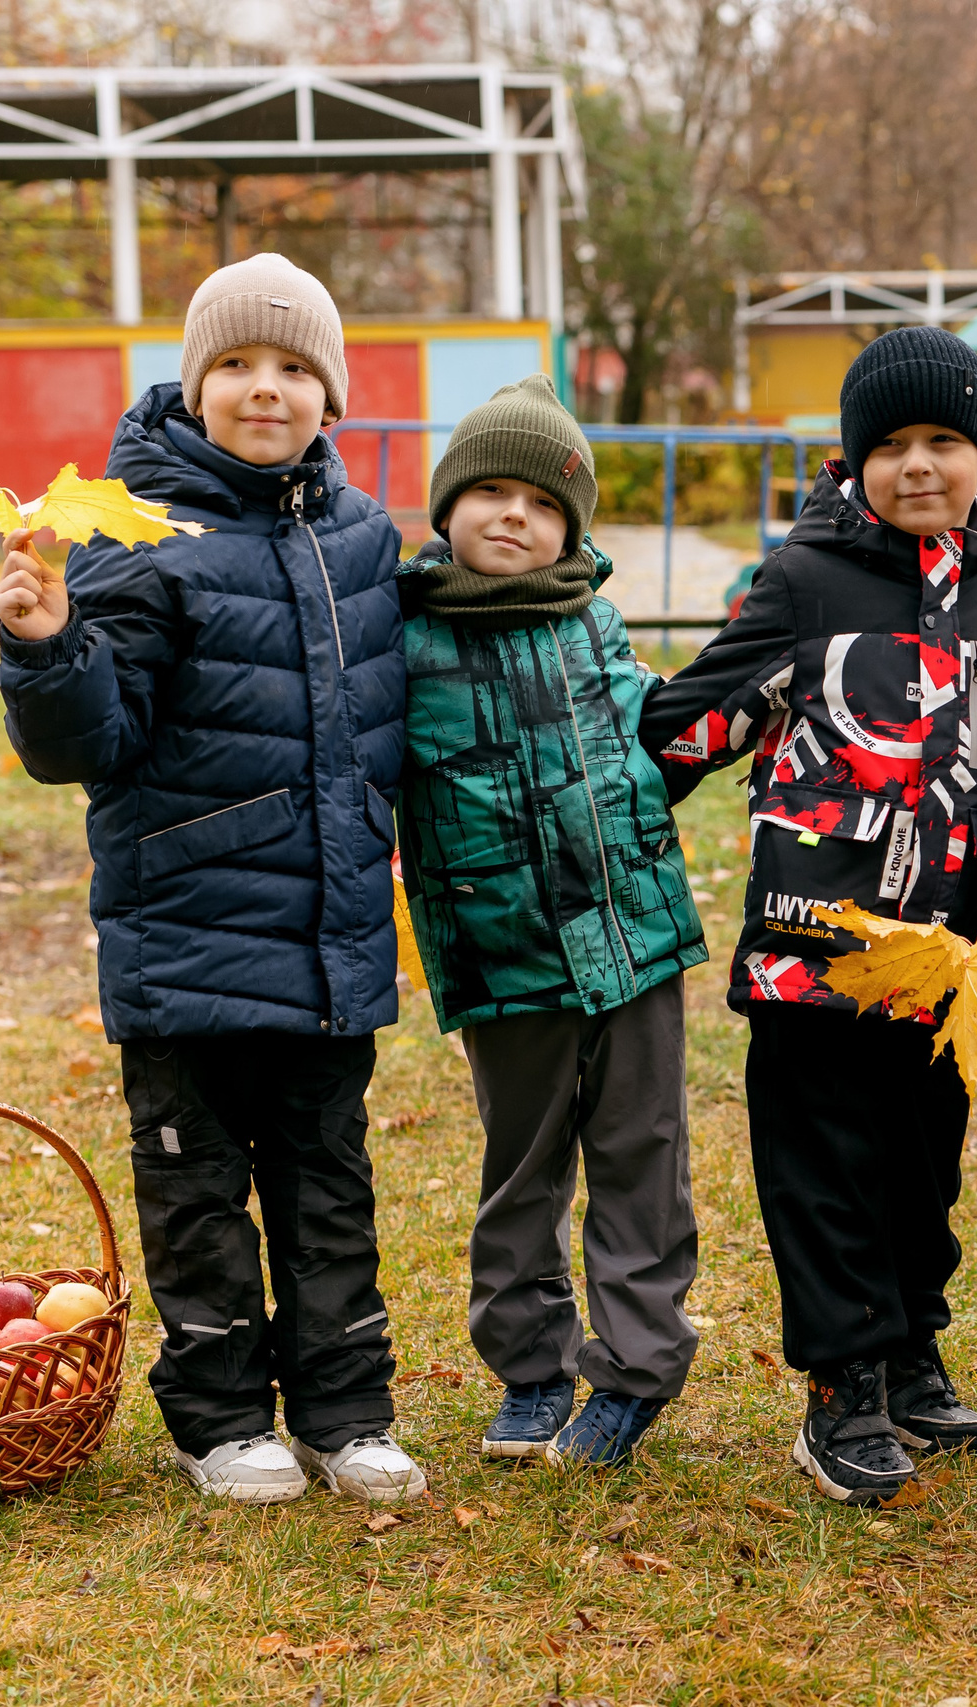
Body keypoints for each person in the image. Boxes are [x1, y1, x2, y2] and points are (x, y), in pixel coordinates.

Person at [0, 253, 422, 1505]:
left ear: (330, 397)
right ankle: (222, 1416)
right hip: (182, 935)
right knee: (197, 1191)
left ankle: (347, 1413)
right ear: (194, 384)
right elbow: (88, 745)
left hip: (327, 938)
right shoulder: (135, 529)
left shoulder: (361, 536)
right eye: (235, 364)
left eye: (294, 368)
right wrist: (45, 645)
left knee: (328, 1186)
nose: (265, 388)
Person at [637, 326, 977, 1507]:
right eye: (891, 446)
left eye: (944, 443)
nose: (918, 466)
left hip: (951, 957)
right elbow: (691, 724)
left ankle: (911, 1348)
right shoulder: (805, 581)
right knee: (825, 1168)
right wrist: (656, 751)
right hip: (814, 954)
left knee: (923, 1166)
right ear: (852, 459)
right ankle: (842, 1388)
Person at [390, 376, 707, 1469]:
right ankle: (531, 1368)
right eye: (486, 491)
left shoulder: (600, 625)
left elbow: (657, 744)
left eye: (538, 498)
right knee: (522, 1166)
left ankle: (630, 1377)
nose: (510, 514)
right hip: (501, 952)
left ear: (570, 523)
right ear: (446, 511)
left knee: (641, 1159)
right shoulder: (405, 639)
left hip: (634, 942)